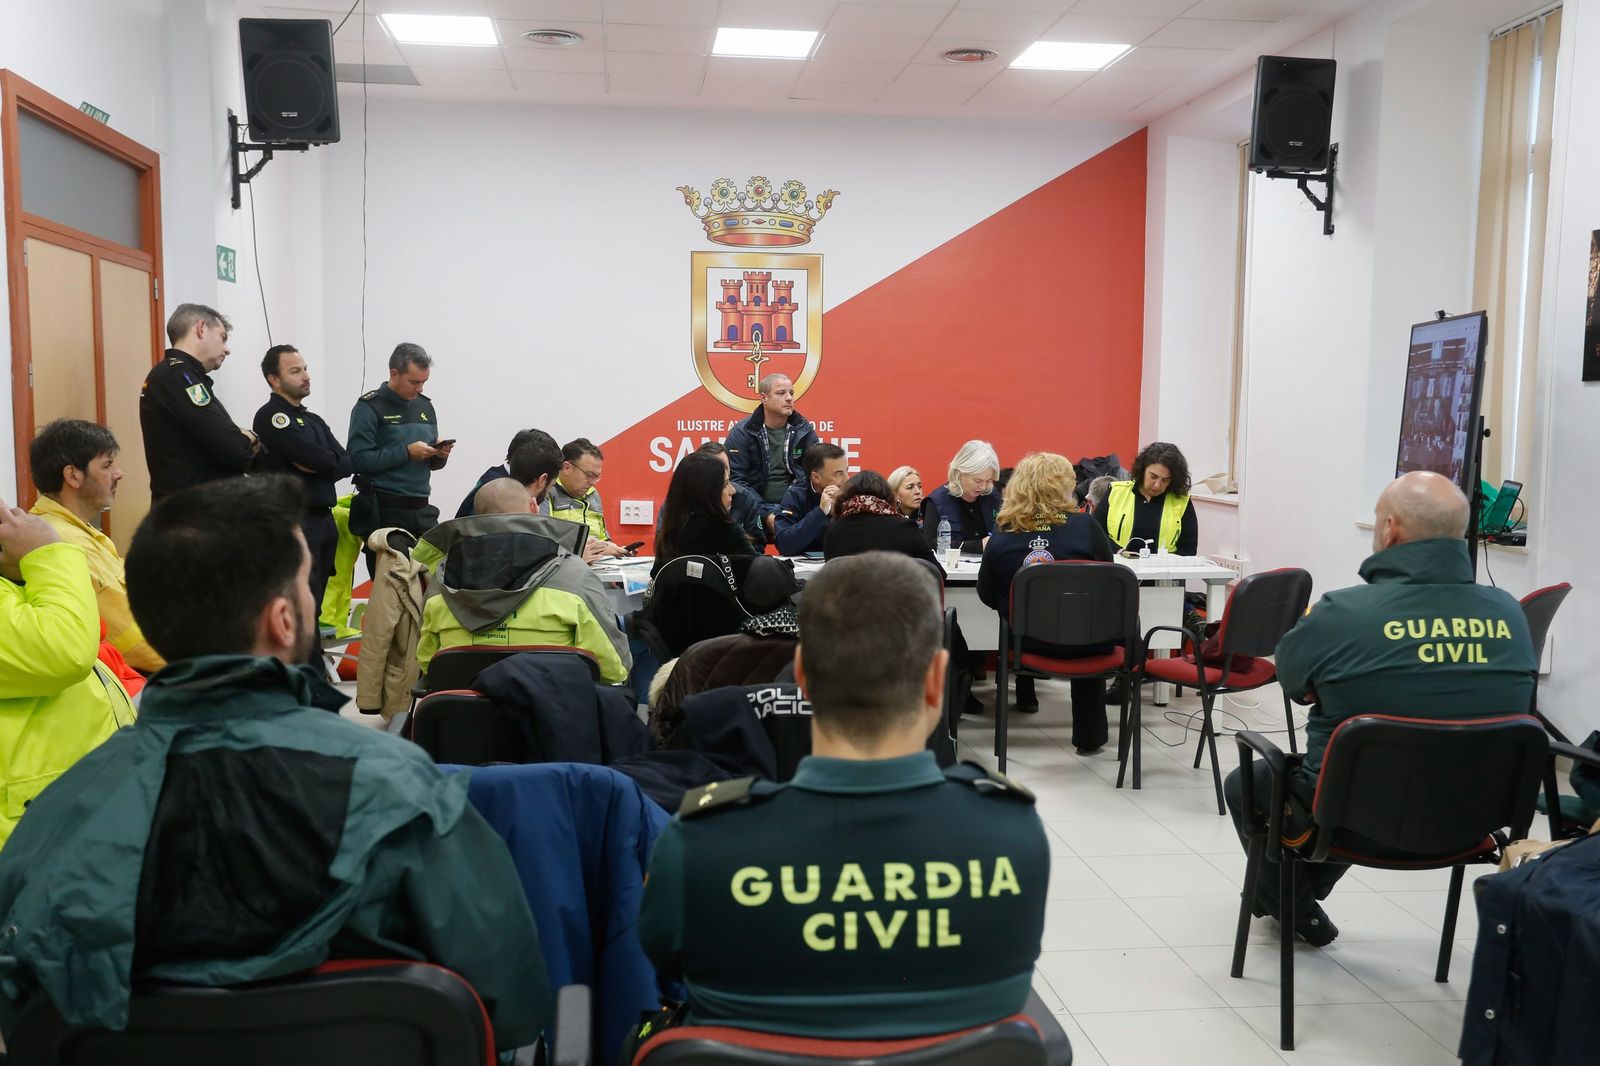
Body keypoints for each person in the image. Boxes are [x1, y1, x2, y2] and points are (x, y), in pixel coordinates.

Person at [0, 477, 551, 1049]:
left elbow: (26, 1018)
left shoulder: (59, 816)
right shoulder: (401, 789)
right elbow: (507, 1004)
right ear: (284, 620)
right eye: (309, 584)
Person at [636, 552, 1049, 1038]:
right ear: (938, 681)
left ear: (802, 676)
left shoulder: (699, 842)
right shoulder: (1012, 833)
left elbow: (661, 957)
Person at [1223, 471, 1536, 946]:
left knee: (1252, 781)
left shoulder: (1341, 614)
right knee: (1365, 777)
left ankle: (1291, 906)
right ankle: (1294, 904)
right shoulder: (1509, 613)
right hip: (1473, 819)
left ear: (1389, 529)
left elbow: (1292, 681)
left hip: (1354, 818)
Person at [0, 498, 133, 849]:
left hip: (72, 817)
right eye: (106, 464)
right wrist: (46, 551)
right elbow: (65, 649)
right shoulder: (48, 542)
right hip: (37, 844)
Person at [416, 478, 630, 683]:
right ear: (534, 507)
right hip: (552, 716)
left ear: (479, 517)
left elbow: (428, 662)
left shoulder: (441, 582)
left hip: (464, 716)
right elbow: (613, 668)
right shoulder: (575, 577)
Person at [977, 453, 1116, 749]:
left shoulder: (1005, 533)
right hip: (1089, 642)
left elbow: (987, 592)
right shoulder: (1087, 528)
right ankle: (1090, 737)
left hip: (1027, 643)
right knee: (1085, 619)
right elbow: (1109, 581)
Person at [27, 419, 163, 674]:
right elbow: (128, 638)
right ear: (73, 476)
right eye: (107, 465)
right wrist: (202, 658)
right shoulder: (65, 540)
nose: (118, 473)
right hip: (137, 675)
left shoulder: (72, 527)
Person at [253, 345, 353, 670]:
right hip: (295, 522)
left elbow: (346, 461)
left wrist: (323, 462)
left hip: (324, 522)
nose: (306, 376)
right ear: (274, 379)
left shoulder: (313, 419)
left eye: (305, 368)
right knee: (298, 607)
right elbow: (318, 457)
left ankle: (312, 674)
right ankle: (305, 681)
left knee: (316, 608)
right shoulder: (271, 417)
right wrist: (324, 461)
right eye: (295, 371)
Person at [347, 343, 453, 575]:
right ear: (394, 373)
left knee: (435, 579)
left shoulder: (425, 406)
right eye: (414, 382)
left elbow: (428, 463)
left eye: (423, 382)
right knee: (392, 592)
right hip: (385, 509)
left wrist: (439, 456)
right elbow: (357, 460)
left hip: (421, 508)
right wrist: (406, 452)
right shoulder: (369, 407)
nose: (419, 388)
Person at [139, 303, 258, 502]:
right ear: (201, 329)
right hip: (190, 515)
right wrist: (250, 437)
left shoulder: (181, 375)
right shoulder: (178, 377)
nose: (227, 350)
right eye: (223, 337)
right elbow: (234, 450)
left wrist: (239, 440)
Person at [723, 374, 820, 513]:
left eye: (791, 393)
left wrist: (791, 509)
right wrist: (765, 514)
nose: (789, 398)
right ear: (763, 398)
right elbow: (737, 481)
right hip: (753, 510)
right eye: (781, 393)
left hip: (796, 507)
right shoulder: (742, 432)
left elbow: (815, 473)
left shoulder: (804, 430)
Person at [652, 452, 756, 577]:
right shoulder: (728, 532)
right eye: (725, 484)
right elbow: (757, 576)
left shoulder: (669, 534)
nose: (732, 490)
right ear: (707, 493)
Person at [1094, 441, 1198, 555]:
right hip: (1119, 567)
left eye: (1165, 480)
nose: (1157, 485)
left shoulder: (1181, 503)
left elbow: (1189, 549)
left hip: (1165, 569)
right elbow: (1096, 533)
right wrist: (1120, 552)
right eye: (1153, 476)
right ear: (1142, 470)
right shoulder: (1116, 492)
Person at [823, 470, 939, 566]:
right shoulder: (905, 528)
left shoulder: (834, 530)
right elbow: (937, 572)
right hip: (896, 593)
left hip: (848, 593)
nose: (917, 492)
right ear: (888, 495)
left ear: (845, 496)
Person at [549, 438, 628, 558]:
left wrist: (615, 550)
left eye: (596, 477)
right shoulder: (548, 492)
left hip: (600, 566)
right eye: (589, 475)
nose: (593, 482)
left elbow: (603, 538)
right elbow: (544, 543)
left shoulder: (593, 494)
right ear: (566, 468)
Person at [454, 427, 556, 518]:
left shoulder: (494, 478)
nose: (547, 495)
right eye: (551, 486)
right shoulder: (499, 495)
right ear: (542, 480)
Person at [921, 441, 1002, 554]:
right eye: (977, 481)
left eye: (988, 481)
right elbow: (929, 543)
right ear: (960, 474)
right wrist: (976, 546)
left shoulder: (993, 498)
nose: (983, 487)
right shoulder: (937, 501)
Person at [773, 443, 848, 556]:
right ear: (816, 477)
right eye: (838, 474)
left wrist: (844, 506)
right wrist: (820, 512)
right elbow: (784, 545)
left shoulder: (851, 494)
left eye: (846, 470)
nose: (847, 479)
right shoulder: (795, 496)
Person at [696, 441, 771, 548]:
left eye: (725, 467)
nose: (723, 472)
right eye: (716, 469)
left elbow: (758, 544)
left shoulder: (744, 498)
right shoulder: (680, 500)